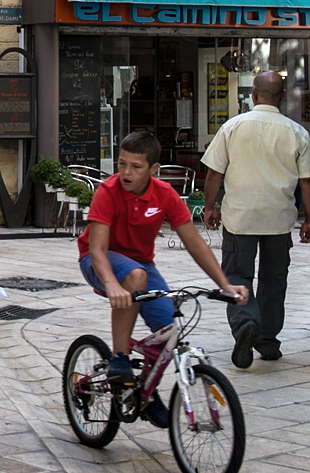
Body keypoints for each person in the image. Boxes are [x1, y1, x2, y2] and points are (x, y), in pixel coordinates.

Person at [79, 131, 248, 428]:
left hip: (140, 263)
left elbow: (194, 242)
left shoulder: (165, 194)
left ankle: (145, 391)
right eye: (122, 164)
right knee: (135, 276)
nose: (126, 172)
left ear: (153, 169)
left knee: (169, 328)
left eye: (136, 166)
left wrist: (224, 284)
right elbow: (97, 249)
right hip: (99, 261)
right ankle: (119, 357)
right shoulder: (107, 192)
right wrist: (112, 285)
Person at [202, 71, 310, 368]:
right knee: (274, 280)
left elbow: (214, 173)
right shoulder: (297, 132)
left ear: (253, 95)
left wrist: (210, 207)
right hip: (278, 220)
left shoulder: (232, 126)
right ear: (282, 97)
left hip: (240, 218)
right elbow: (307, 182)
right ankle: (267, 341)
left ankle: (245, 326)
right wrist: (309, 219)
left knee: (237, 277)